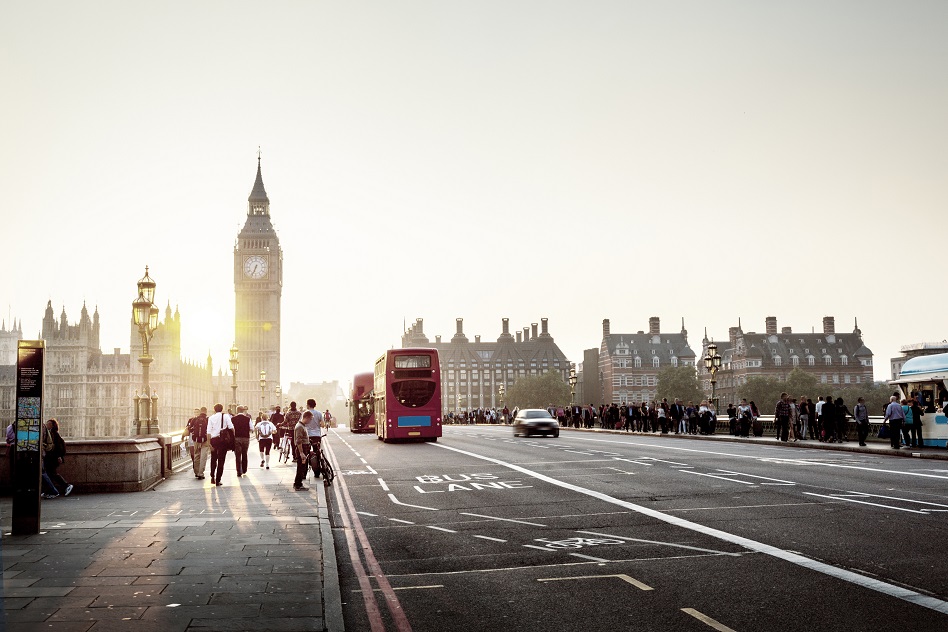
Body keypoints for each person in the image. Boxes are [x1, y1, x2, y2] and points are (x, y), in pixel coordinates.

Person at [43, 419, 73, 497]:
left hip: (53, 458)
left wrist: (59, 456)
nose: (47, 425)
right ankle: (48, 491)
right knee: (49, 474)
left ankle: (66, 485)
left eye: (49, 424)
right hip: (50, 457)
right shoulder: (49, 433)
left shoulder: (54, 434)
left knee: (52, 473)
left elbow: (58, 447)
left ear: (53, 425)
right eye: (47, 423)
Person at [207, 403, 233, 486]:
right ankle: (218, 480)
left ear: (214, 409)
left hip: (213, 440)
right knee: (221, 460)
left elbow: (208, 432)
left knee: (213, 459)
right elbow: (231, 428)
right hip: (222, 441)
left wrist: (209, 444)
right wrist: (232, 439)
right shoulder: (225, 416)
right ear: (222, 409)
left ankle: (212, 477)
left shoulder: (211, 418)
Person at [305, 399, 324, 478]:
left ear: (308, 405)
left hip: (307, 436)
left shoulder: (305, 414)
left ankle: (305, 472)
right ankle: (318, 470)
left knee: (306, 453)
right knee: (317, 452)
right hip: (317, 435)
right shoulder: (319, 413)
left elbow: (302, 424)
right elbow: (322, 425)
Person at [293, 411, 313, 491]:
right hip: (302, 449)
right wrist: (301, 453)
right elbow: (298, 441)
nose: (310, 421)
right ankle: (298, 485)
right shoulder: (299, 427)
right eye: (310, 419)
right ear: (306, 417)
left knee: (302, 467)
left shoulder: (302, 426)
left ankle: (298, 483)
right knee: (301, 467)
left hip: (305, 448)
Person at [188, 407, 209, 479]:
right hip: (205, 440)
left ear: (200, 412)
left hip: (196, 440)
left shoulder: (194, 419)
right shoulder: (207, 419)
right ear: (206, 411)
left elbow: (190, 429)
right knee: (203, 457)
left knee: (196, 455)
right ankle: (201, 473)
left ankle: (196, 472)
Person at [231, 406, 252, 477]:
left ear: (237, 411)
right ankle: (244, 469)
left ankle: (238, 471)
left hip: (236, 438)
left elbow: (231, 428)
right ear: (243, 411)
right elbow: (251, 428)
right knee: (244, 453)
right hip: (246, 438)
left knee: (238, 455)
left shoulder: (233, 419)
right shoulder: (248, 419)